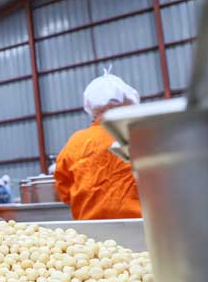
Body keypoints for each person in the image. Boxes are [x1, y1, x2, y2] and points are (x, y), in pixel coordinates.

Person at [54, 69, 142, 220]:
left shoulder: (76, 142)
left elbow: (64, 192)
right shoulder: (143, 136)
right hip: (142, 227)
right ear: (129, 103)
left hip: (89, 234)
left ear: (91, 109)